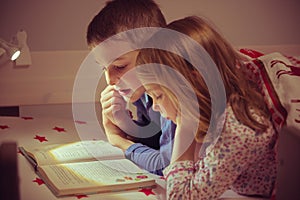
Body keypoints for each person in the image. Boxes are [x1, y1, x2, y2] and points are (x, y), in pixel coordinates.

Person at [135, 15, 277, 199]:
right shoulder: (218, 110)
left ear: (193, 81)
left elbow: (181, 196)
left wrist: (184, 129)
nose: (154, 107)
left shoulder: (238, 128)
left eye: (158, 95)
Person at [86, 0, 176, 176]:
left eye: (119, 67)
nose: (110, 80)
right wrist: (124, 124)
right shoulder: (143, 92)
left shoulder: (173, 93)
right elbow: (156, 140)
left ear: (154, 53)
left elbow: (169, 166)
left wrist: (118, 140)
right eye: (104, 68)